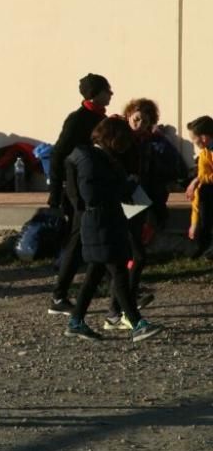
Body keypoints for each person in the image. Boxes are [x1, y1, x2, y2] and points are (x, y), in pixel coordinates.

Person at [63, 117, 163, 342]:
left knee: (95, 273)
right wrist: (124, 187)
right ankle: (136, 323)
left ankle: (76, 321)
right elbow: (93, 194)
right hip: (102, 222)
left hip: (102, 221)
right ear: (113, 138)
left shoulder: (95, 158)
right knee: (118, 272)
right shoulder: (93, 160)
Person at [103, 99, 186, 330]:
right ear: (129, 116)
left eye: (146, 121)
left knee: (134, 256)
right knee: (134, 257)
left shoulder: (150, 144)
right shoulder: (120, 141)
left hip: (141, 199)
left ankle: (120, 307)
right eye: (137, 119)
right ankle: (121, 309)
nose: (140, 124)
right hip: (125, 202)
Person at [47, 73, 111, 316]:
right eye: (107, 90)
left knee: (99, 236)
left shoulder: (101, 119)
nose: (111, 94)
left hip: (96, 187)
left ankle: (116, 288)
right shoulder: (78, 120)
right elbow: (57, 154)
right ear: (96, 93)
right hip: (79, 190)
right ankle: (59, 295)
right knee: (79, 240)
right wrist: (55, 191)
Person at [185, 115, 213, 259]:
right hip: (208, 192)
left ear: (203, 137)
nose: (193, 142)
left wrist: (198, 180)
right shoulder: (204, 155)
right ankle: (203, 243)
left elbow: (202, 179)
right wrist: (194, 222)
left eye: (193, 139)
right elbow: (200, 189)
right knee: (204, 192)